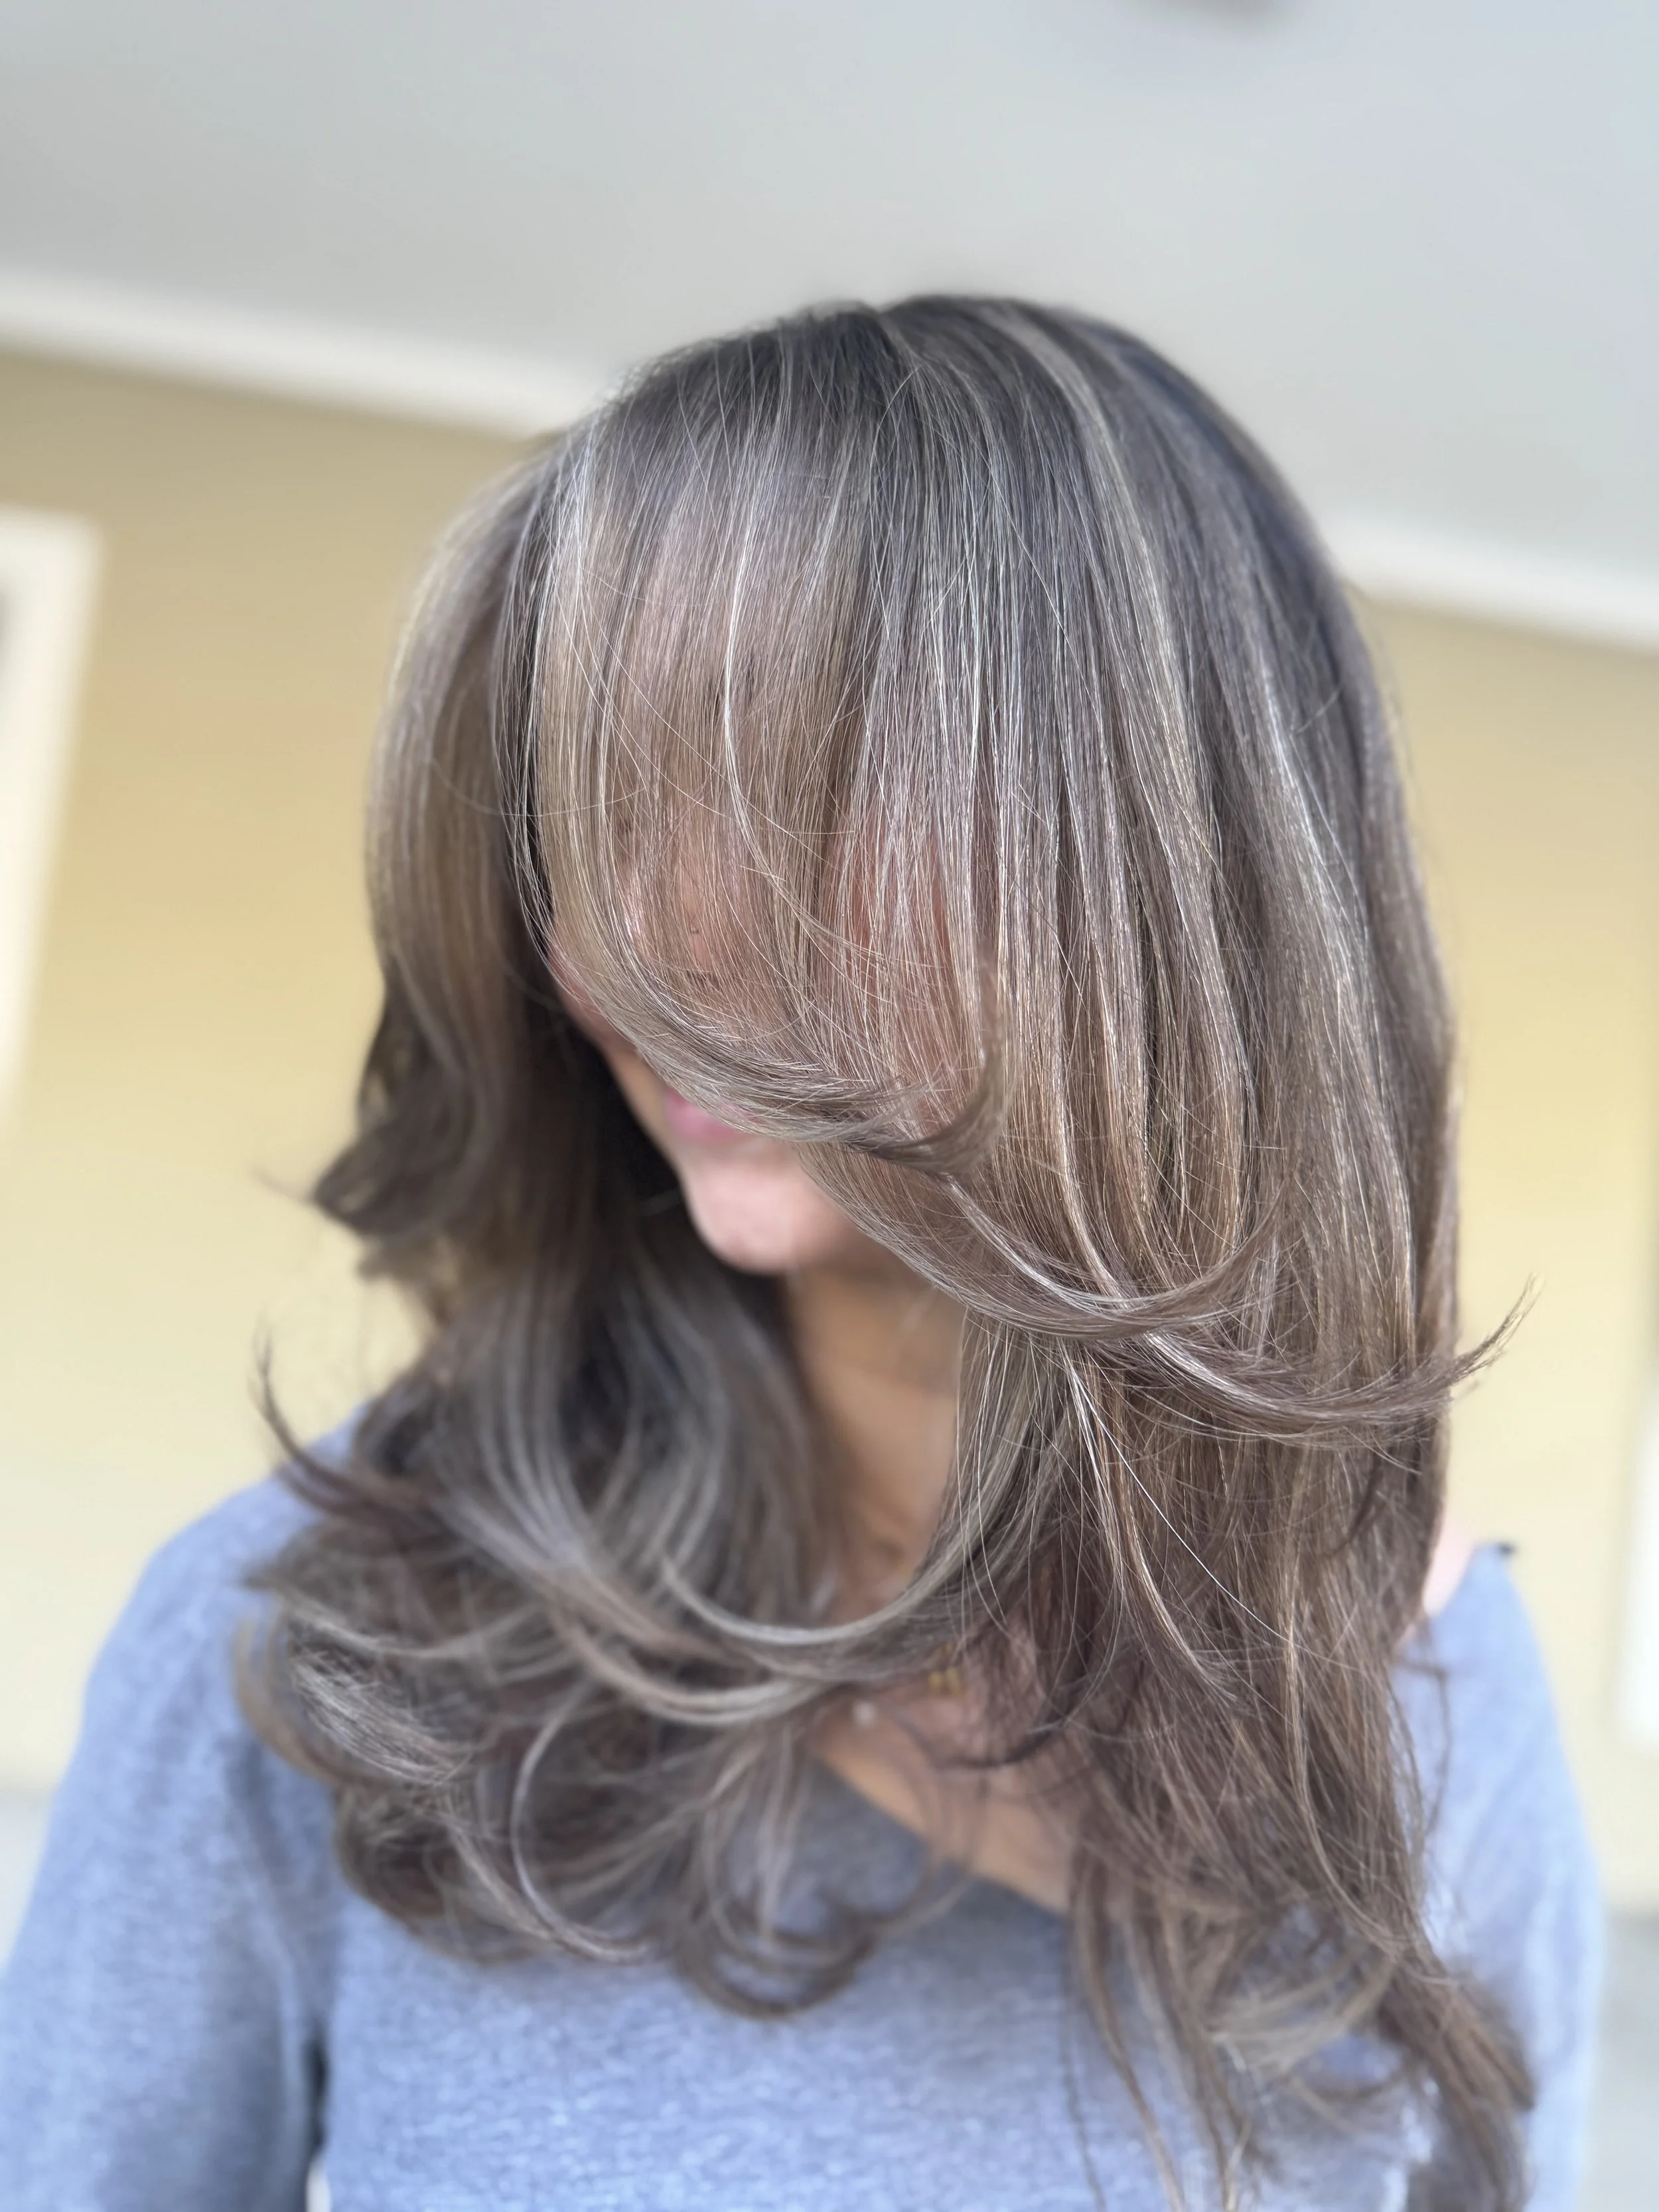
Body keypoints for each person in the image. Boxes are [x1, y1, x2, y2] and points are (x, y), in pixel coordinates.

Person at [0, 299, 1600, 2210]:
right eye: (590, 818)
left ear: (1166, 891)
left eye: (794, 806)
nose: (632, 948)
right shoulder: (309, 1644)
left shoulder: (1441, 1704)